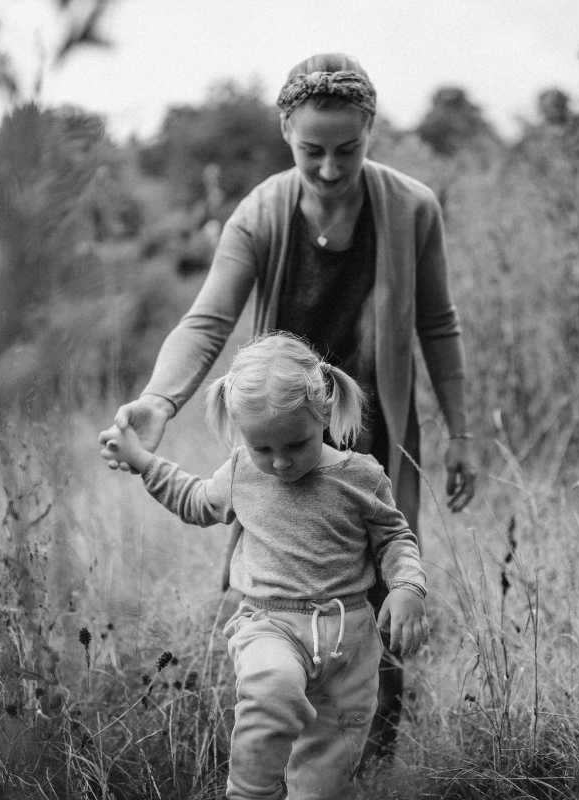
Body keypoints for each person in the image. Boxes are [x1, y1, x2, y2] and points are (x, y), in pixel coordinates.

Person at [97, 52, 476, 758]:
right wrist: (158, 401)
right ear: (284, 133)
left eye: (347, 150)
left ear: (371, 129)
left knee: (383, 581)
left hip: (379, 430)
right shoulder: (261, 213)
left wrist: (461, 433)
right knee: (272, 584)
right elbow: (209, 319)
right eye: (312, 152)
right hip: (282, 431)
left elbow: (438, 325)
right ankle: (278, 736)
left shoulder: (413, 208)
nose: (331, 169)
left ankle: (370, 746)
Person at [101, 333, 428, 799]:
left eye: (296, 444)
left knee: (323, 782)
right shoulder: (241, 472)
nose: (279, 463)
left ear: (324, 413)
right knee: (272, 685)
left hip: (349, 644)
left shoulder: (361, 475)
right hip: (268, 624)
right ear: (241, 434)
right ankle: (250, 792)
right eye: (262, 449)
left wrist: (407, 587)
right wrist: (141, 461)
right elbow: (195, 500)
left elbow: (395, 537)